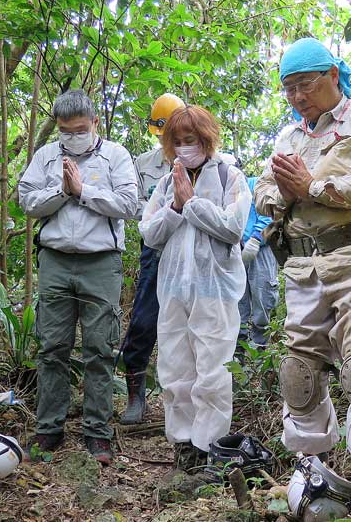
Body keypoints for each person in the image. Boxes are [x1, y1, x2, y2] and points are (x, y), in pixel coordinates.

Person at [254, 38, 351, 518]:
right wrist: (281, 194)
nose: (298, 96)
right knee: (297, 371)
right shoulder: (289, 137)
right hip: (305, 265)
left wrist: (313, 187)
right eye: (289, 88)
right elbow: (261, 193)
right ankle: (309, 469)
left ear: (332, 76)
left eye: (305, 84)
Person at [18, 89, 137, 465]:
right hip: (54, 261)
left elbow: (128, 205)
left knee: (100, 349)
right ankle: (48, 428)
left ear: (95, 123)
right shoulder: (46, 157)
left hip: (101, 263)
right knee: (52, 347)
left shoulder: (115, 155)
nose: (72, 136)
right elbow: (27, 201)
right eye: (65, 130)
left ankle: (97, 434)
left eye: (80, 129)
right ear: (57, 127)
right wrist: (61, 190)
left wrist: (83, 191)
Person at [139, 105, 250, 472]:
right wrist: (175, 204)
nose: (185, 147)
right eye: (179, 141)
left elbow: (233, 228)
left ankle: (211, 447)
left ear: (206, 138)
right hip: (173, 290)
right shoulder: (165, 182)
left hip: (214, 290)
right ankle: (184, 444)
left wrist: (193, 205)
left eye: (192, 140)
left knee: (214, 371)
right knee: (174, 369)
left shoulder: (229, 176)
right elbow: (149, 233)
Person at [118, 93, 185, 425]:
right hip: (156, 250)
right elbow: (134, 207)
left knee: (192, 323)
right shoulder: (143, 164)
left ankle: (186, 402)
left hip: (192, 253)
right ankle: (136, 394)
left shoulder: (204, 161)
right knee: (144, 321)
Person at [237, 175, 279, 355]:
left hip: (261, 249)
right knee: (237, 300)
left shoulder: (254, 184)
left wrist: (255, 239)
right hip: (235, 251)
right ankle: (239, 349)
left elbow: (268, 212)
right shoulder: (223, 188)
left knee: (262, 296)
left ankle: (260, 348)